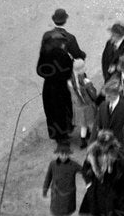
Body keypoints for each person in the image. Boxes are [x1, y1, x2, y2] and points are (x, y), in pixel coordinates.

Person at [37, 8, 87, 147]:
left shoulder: (47, 36)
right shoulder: (70, 38)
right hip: (64, 79)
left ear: (54, 20)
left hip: (50, 79)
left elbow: (43, 59)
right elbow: (78, 54)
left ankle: (57, 135)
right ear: (65, 20)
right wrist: (83, 55)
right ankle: (66, 130)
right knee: (65, 105)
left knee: (52, 106)